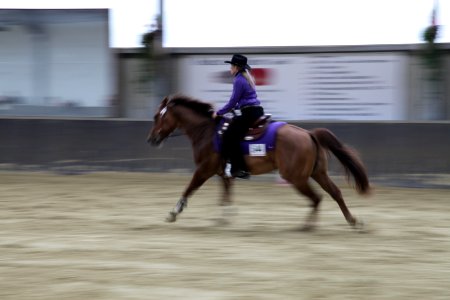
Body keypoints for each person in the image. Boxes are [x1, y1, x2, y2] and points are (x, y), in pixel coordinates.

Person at [213, 54, 265, 179]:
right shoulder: (246, 78)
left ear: (236, 67)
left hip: (249, 113)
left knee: (229, 135)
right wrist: (234, 109)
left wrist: (218, 113)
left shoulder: (238, 80)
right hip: (255, 111)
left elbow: (232, 101)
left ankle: (239, 168)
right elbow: (243, 101)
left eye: (231, 65)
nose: (230, 68)